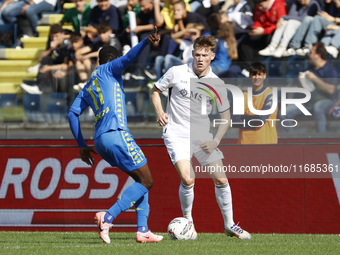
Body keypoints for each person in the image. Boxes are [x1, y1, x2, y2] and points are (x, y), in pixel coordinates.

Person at [150, 35, 251, 240]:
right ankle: (189, 223)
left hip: (202, 135)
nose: (200, 58)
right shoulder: (176, 72)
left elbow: (226, 117)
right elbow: (155, 91)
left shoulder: (216, 83)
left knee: (221, 179)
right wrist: (160, 112)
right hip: (176, 133)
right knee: (188, 178)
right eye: (197, 54)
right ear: (192, 54)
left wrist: (216, 140)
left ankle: (230, 225)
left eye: (205, 55)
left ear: (212, 56)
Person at [68, 28, 163, 244]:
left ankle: (143, 230)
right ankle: (108, 217)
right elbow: (129, 58)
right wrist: (145, 42)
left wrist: (82, 145)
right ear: (113, 60)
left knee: (140, 179)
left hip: (100, 140)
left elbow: (72, 113)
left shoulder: (89, 85)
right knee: (148, 180)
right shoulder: (109, 70)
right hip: (116, 133)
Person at [283, 42, 338, 133]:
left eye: (311, 52)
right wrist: (301, 81)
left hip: (327, 101)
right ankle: (291, 140)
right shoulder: (310, 68)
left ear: (318, 55)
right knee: (284, 113)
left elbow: (331, 90)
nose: (308, 55)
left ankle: (321, 140)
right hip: (309, 101)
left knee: (318, 108)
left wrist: (314, 79)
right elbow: (303, 90)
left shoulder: (329, 69)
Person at [233, 62, 278, 144]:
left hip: (266, 143)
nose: (257, 77)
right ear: (250, 76)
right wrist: (254, 120)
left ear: (264, 76)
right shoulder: (243, 95)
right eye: (254, 74)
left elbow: (260, 120)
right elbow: (234, 121)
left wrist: (243, 118)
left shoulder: (270, 95)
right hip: (244, 144)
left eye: (259, 74)